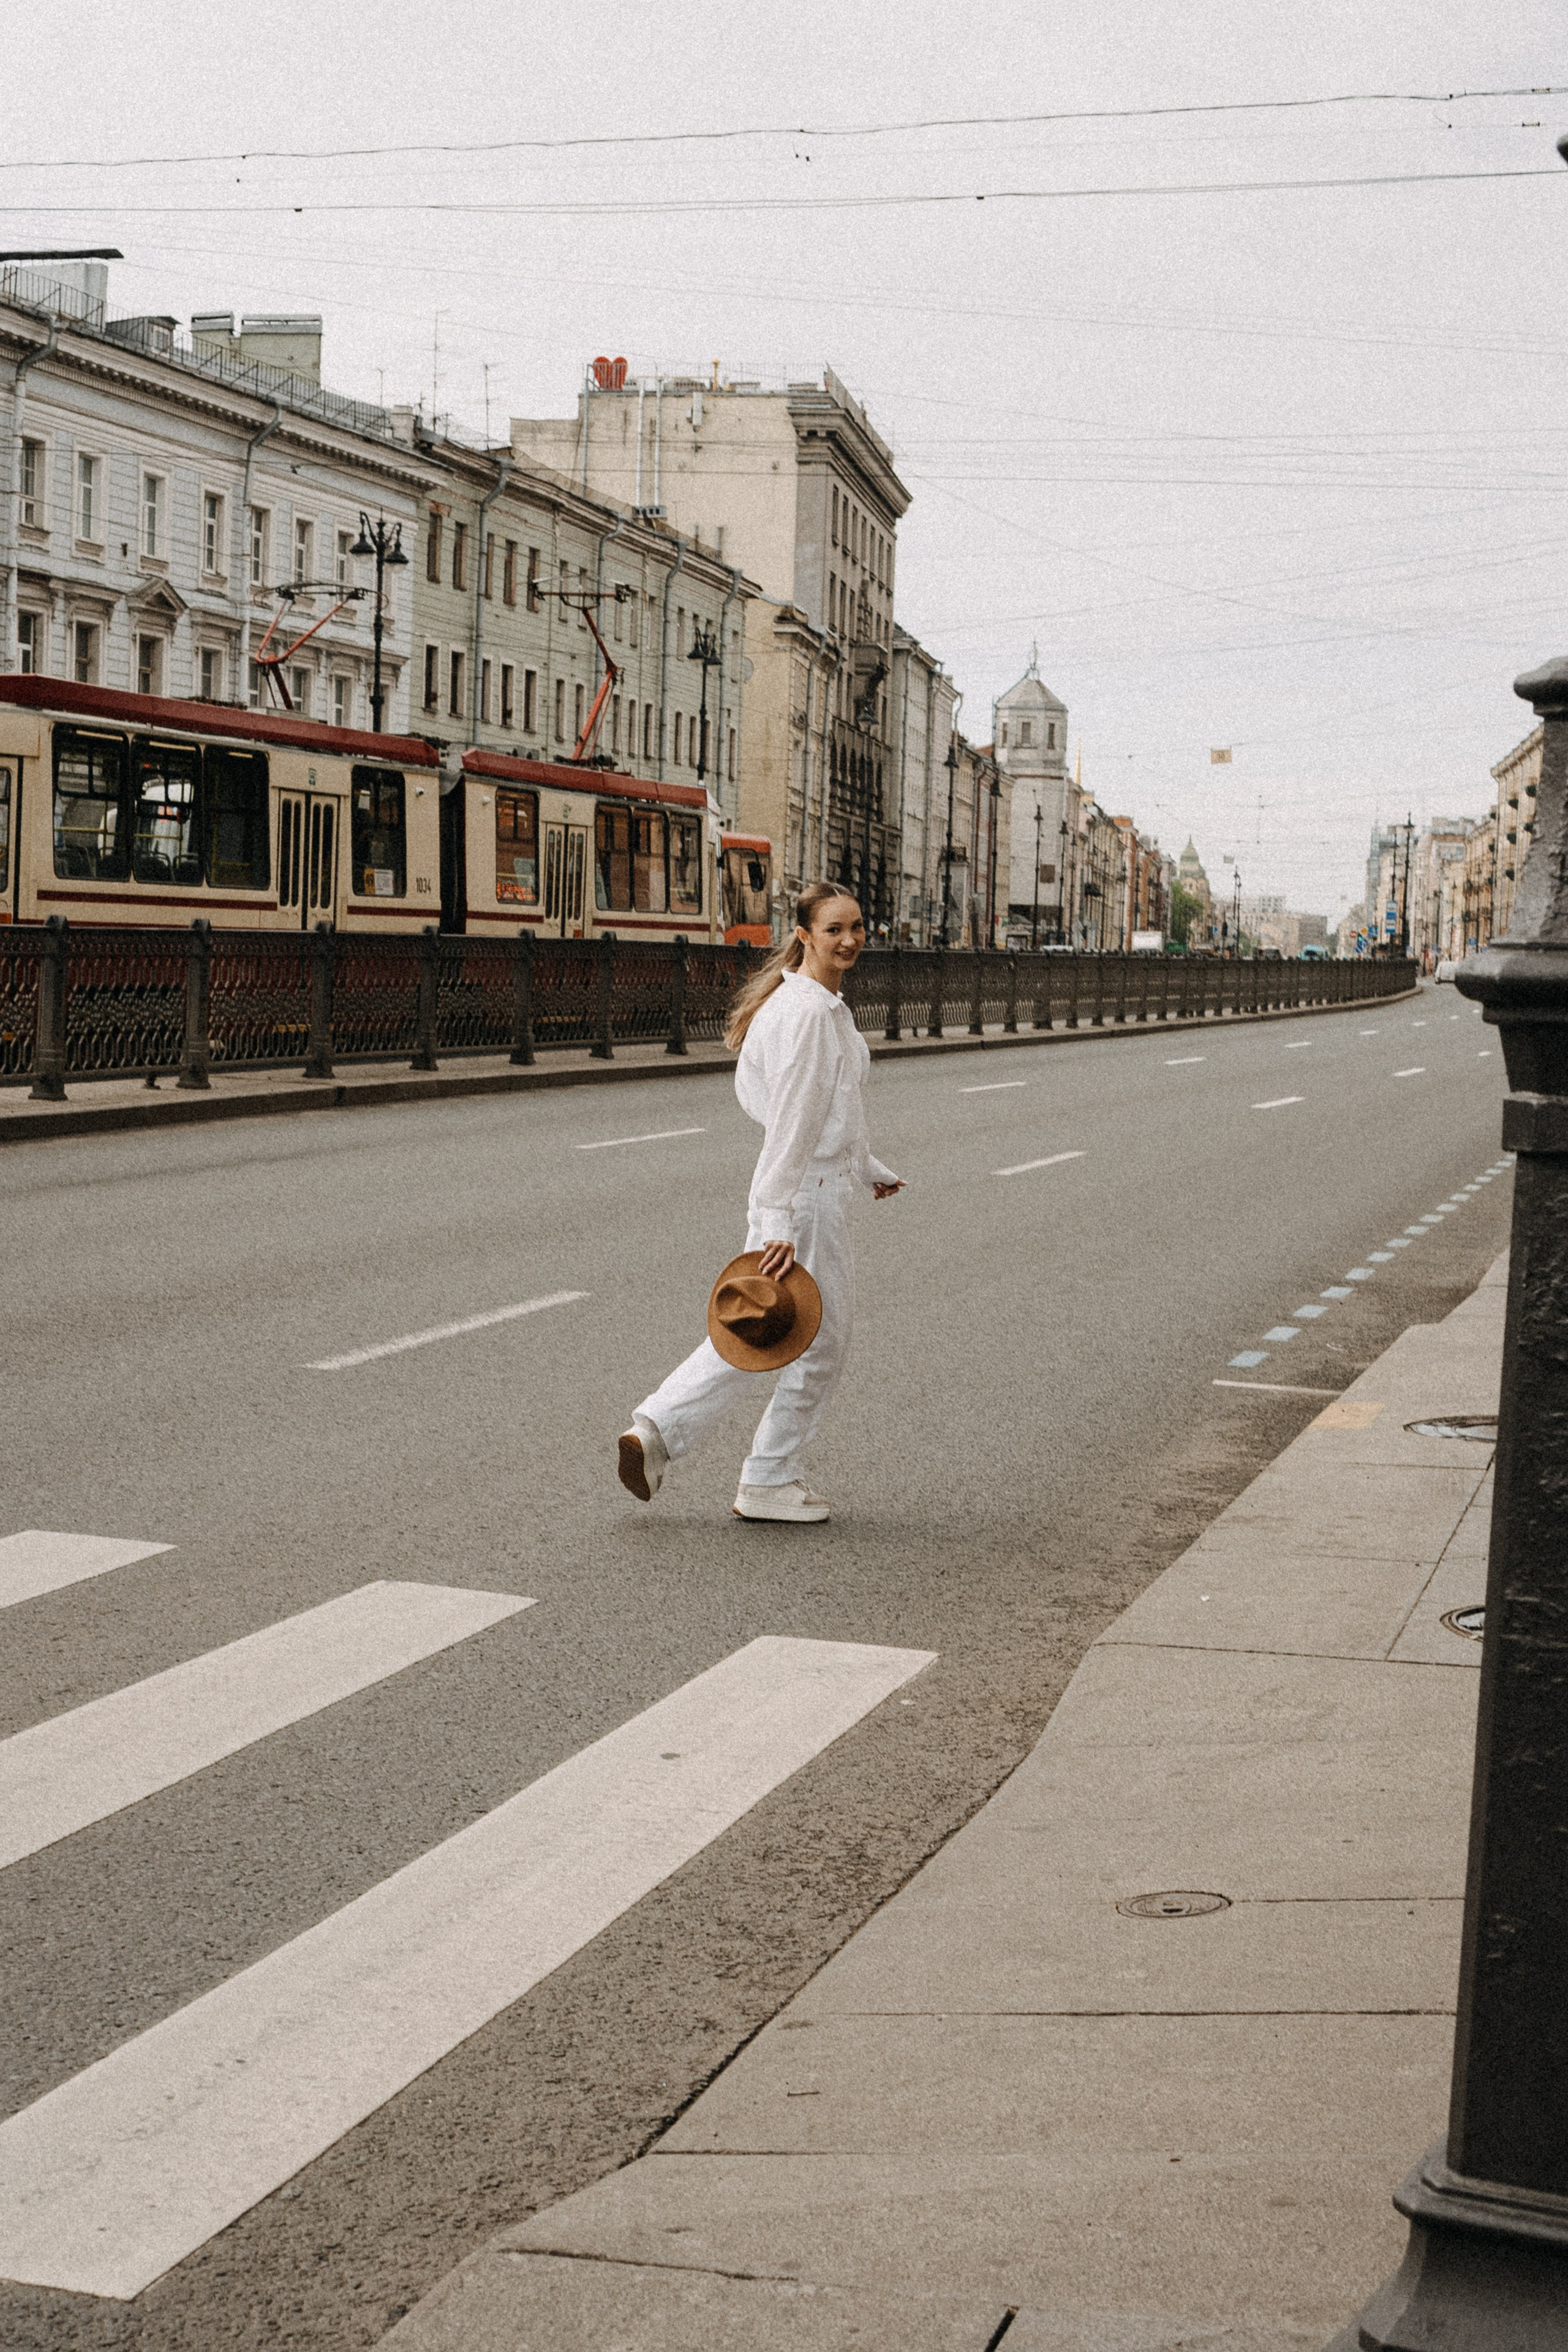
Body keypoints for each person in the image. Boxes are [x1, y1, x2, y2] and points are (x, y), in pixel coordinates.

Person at [618, 883, 904, 1523]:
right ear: (803, 934)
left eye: (857, 927)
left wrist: (866, 1168)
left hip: (809, 1189)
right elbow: (792, 1123)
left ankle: (659, 1433)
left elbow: (821, 1111)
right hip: (803, 1202)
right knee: (809, 1341)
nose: (850, 940)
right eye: (834, 929)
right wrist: (777, 1216)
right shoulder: (807, 1015)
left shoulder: (813, 1005)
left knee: (763, 1328)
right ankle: (764, 1476)